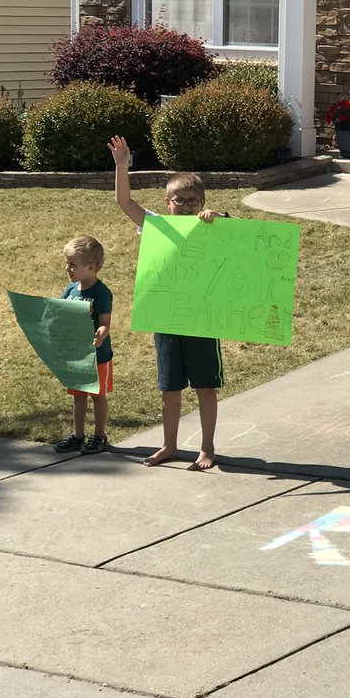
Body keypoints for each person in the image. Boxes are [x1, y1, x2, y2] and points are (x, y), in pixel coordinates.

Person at [106, 135, 230, 471]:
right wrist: (121, 166)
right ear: (167, 201)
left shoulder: (212, 227)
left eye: (193, 201)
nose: (186, 205)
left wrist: (217, 217)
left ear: (202, 201)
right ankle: (170, 446)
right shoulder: (154, 227)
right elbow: (124, 202)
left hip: (202, 320)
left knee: (205, 387)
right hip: (166, 318)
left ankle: (207, 448)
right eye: (179, 200)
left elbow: (239, 236)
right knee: (169, 389)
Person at [54, 235, 113, 455]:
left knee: (97, 396)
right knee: (78, 395)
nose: (67, 269)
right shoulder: (71, 290)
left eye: (72, 265)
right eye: (67, 263)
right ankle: (77, 435)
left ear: (90, 267)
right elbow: (60, 311)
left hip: (97, 356)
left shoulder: (101, 293)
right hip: (75, 355)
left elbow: (105, 322)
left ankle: (99, 435)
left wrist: (100, 335)